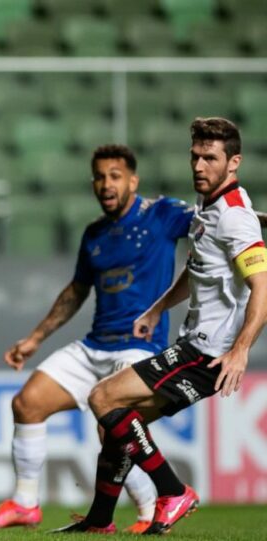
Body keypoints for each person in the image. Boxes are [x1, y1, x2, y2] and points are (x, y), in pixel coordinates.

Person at [53, 117, 267, 535]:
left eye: (210, 158)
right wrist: (156, 309)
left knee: (103, 398)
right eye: (195, 157)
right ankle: (99, 521)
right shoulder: (209, 207)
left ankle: (172, 491)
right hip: (196, 342)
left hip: (209, 350)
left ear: (234, 162)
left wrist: (240, 350)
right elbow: (198, 269)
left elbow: (262, 287)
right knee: (118, 422)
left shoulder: (235, 219)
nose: (199, 166)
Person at [0, 144, 196, 534]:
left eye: (115, 176)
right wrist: (34, 338)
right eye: (99, 176)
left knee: (112, 424)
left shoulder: (161, 214)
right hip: (95, 345)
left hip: (138, 345)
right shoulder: (95, 233)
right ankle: (26, 504)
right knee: (27, 403)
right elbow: (76, 291)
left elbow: (219, 220)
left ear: (133, 180)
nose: (105, 184)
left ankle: (148, 513)